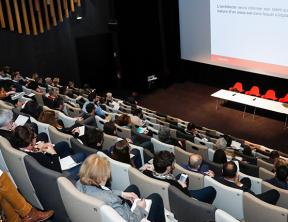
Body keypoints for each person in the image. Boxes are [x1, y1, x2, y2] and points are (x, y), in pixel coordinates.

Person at [76, 154, 166, 222]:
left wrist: (122, 194)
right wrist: (140, 208)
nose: (108, 176)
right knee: (156, 198)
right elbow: (132, 220)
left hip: (108, 209)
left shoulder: (79, 183)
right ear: (101, 177)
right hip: (128, 218)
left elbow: (101, 191)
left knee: (133, 188)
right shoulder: (111, 200)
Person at [12, 125, 85, 179]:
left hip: (46, 164)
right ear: (30, 143)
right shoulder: (38, 156)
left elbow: (33, 152)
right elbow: (57, 171)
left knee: (63, 144)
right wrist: (53, 153)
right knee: (83, 157)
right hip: (56, 172)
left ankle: (70, 161)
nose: (36, 137)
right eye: (34, 138)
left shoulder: (17, 146)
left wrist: (39, 149)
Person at [142, 151, 216, 204]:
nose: (174, 164)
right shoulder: (173, 184)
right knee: (211, 190)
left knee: (183, 175)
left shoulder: (146, 172)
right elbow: (186, 196)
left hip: (163, 181)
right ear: (168, 168)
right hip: (181, 193)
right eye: (173, 163)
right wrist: (183, 187)